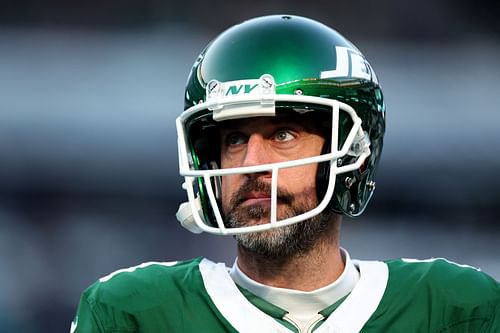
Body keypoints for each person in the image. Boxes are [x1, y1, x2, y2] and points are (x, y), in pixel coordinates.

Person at [71, 15, 499, 332]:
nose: (251, 162)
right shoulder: (133, 313)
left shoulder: (455, 309)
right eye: (235, 139)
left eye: (283, 134)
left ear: (352, 154)